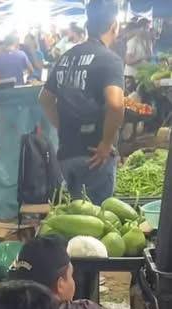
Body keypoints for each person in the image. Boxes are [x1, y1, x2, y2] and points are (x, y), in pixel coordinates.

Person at [40, 0, 124, 204]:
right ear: (114, 25)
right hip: (95, 156)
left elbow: (44, 98)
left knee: (72, 214)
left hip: (66, 153)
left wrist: (63, 126)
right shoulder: (109, 59)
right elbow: (115, 104)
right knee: (96, 218)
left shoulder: (66, 57)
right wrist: (106, 143)